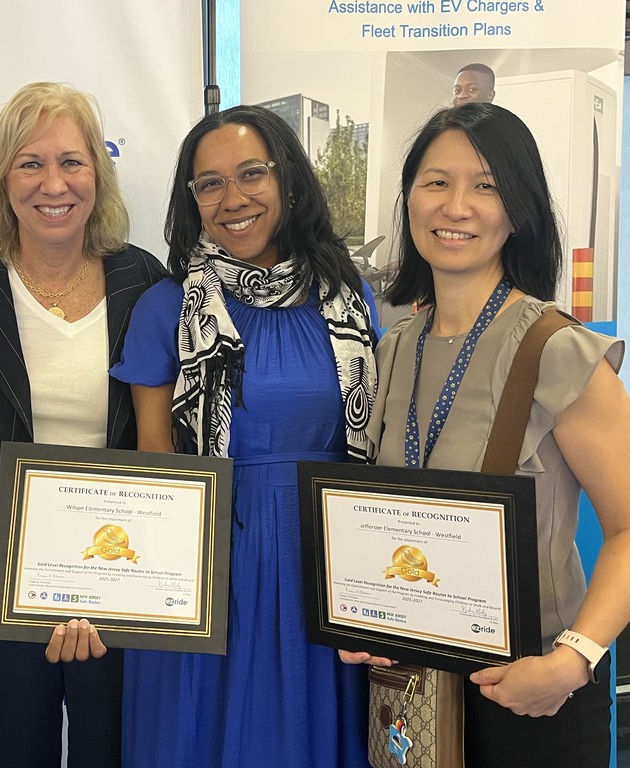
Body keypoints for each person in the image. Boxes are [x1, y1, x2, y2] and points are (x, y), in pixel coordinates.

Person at [96, 104, 379, 766]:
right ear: (191, 200)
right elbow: (156, 463)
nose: (233, 197)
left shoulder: (348, 297)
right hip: (210, 565)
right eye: (210, 183)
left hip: (326, 566)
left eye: (251, 173)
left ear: (286, 180)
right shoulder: (167, 308)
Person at [359, 102, 630, 766]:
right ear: (410, 198)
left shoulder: (557, 349)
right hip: (414, 692)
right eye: (436, 182)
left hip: (532, 695)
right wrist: (362, 616)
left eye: (486, 186)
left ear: (518, 208)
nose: (457, 206)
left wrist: (574, 661)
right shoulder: (394, 350)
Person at [0, 81, 166, 768]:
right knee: (17, 752)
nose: (52, 183)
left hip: (117, 572)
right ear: (2, 176)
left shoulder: (144, 280)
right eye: (30, 163)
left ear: (98, 173)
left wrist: (107, 586)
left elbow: (164, 440)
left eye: (71, 162)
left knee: (108, 753)